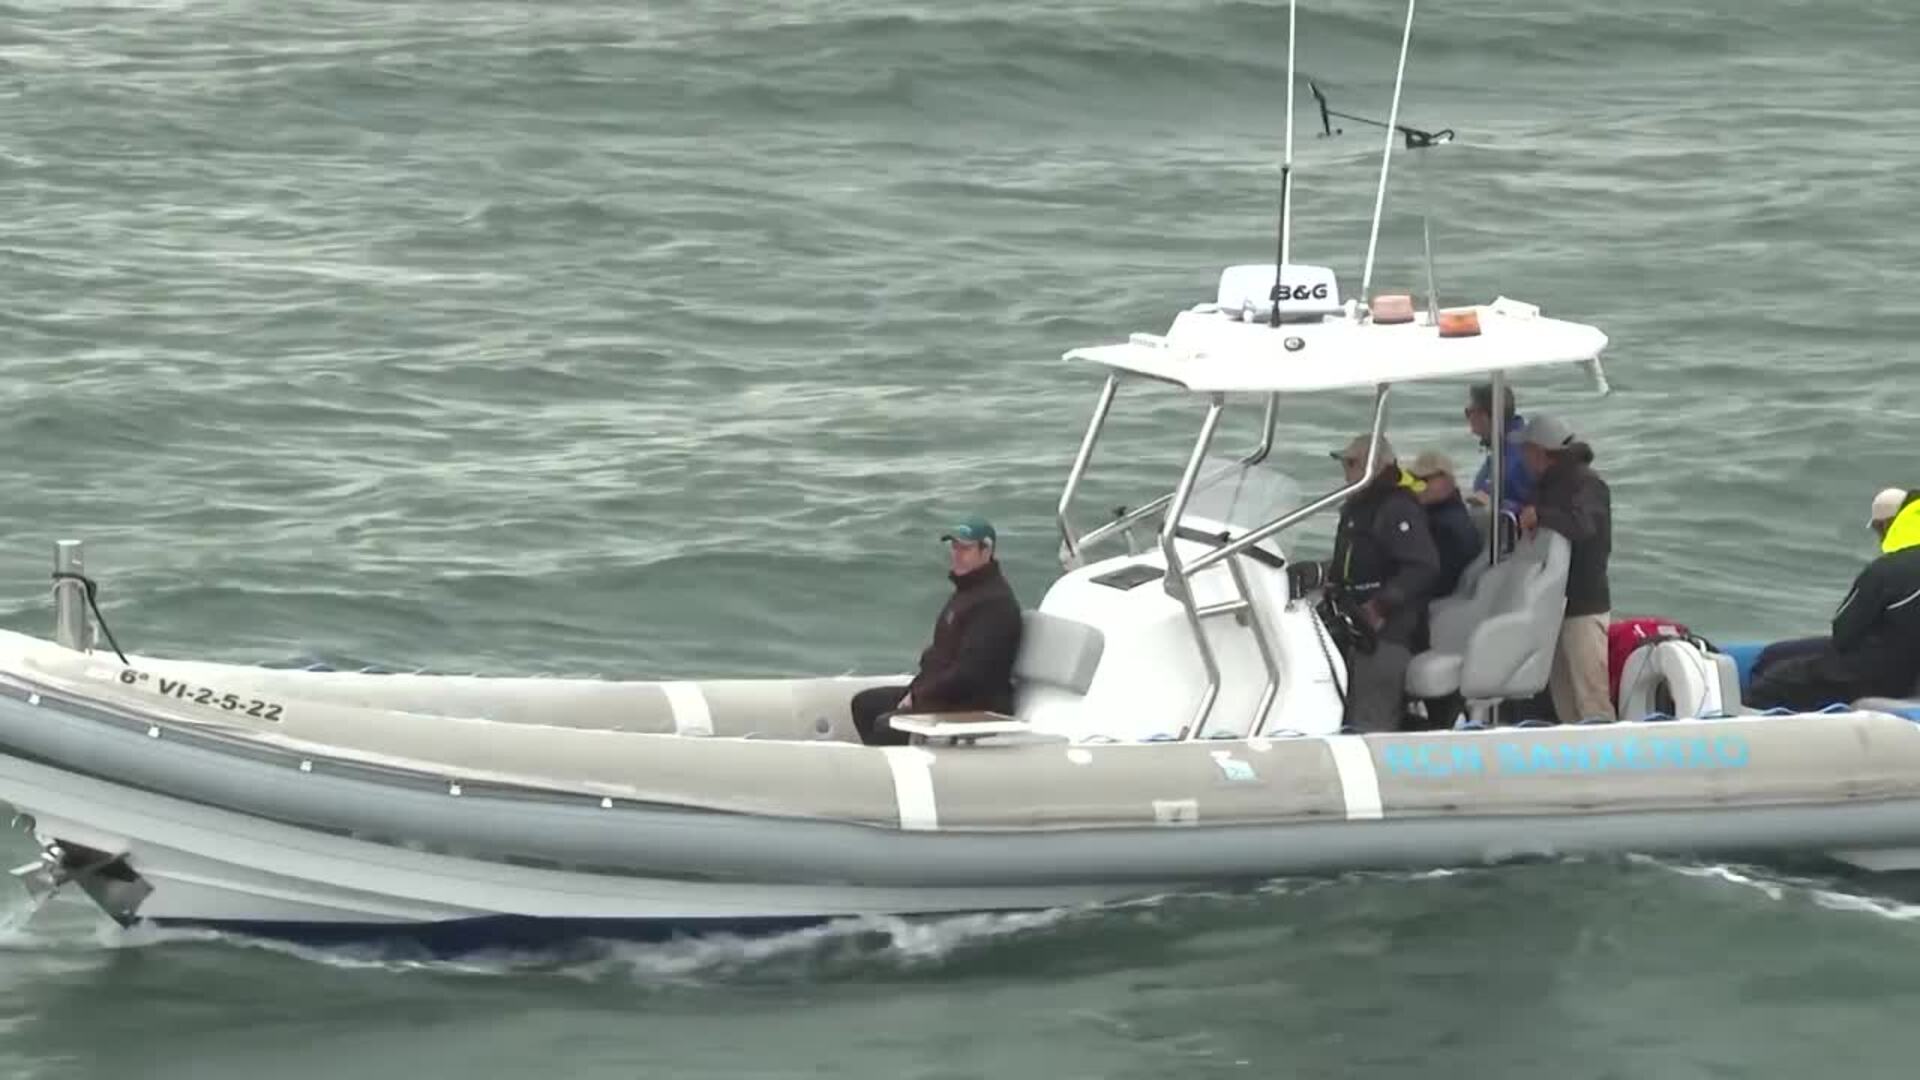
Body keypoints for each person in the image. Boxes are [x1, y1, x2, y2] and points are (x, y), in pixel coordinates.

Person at [851, 515, 1024, 745]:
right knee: (865, 704)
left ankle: (895, 765)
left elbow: (970, 674)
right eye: (954, 547)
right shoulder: (967, 593)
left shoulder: (995, 604)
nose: (957, 554)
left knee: (887, 725)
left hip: (972, 703)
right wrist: (915, 690)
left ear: (986, 551)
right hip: (945, 694)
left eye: (965, 549)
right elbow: (939, 657)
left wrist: (919, 696)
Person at [1749, 490, 1920, 710]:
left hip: (1882, 673)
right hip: (1908, 669)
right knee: (1776, 654)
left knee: (1776, 675)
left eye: (1878, 529)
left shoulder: (1888, 570)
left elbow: (1844, 632)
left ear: (1889, 525)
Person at [1317, 433, 1440, 732]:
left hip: (1387, 633)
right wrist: (1319, 574)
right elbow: (1351, 563)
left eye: (1351, 464)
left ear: (1374, 466)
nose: (1346, 473)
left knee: (1370, 720)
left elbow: (1423, 566)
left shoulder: (1397, 507)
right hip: (1353, 625)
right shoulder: (1358, 509)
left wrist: (1380, 606)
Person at [1517, 414, 1613, 724]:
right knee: (1564, 698)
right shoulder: (1547, 486)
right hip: (1553, 607)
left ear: (1541, 452)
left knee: (1591, 696)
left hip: (1583, 606)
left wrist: (1541, 516)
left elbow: (1583, 526)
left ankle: (1604, 750)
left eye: (1526, 451)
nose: (1523, 458)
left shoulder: (1587, 484)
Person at [1409, 449, 1482, 599]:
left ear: (1446, 480)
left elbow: (1437, 580)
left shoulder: (1446, 526)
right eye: (1413, 480)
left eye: (1424, 480)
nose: (1417, 487)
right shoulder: (1440, 516)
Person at [1464, 382, 1534, 517]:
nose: (1468, 420)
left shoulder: (1520, 456)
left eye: (1468, 412)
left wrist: (1496, 504)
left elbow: (1535, 508)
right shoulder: (1501, 448)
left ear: (1484, 416)